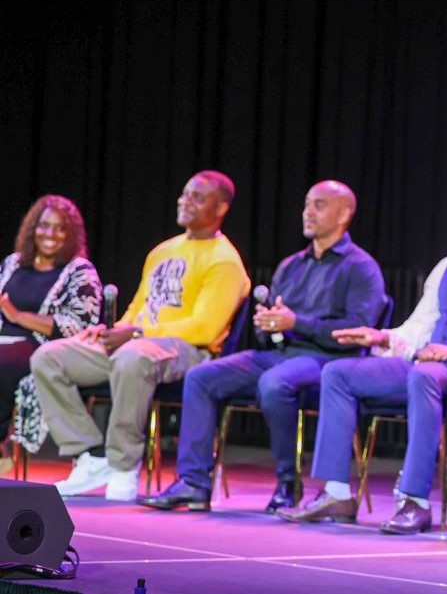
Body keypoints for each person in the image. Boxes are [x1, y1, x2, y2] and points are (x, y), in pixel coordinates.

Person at [276, 180, 447, 533]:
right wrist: (382, 336)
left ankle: (413, 500)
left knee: (424, 376)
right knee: (339, 372)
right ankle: (337, 492)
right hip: (430, 367)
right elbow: (419, 327)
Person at [137, 180, 385, 513]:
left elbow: (356, 330)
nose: (307, 212)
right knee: (201, 377)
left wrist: (297, 322)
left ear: (344, 215)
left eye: (319, 205)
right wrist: (270, 325)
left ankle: (287, 482)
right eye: (307, 204)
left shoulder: (360, 267)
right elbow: (277, 331)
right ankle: (194, 482)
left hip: (329, 360)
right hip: (281, 354)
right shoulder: (292, 265)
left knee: (275, 383)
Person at [31, 170, 251, 502]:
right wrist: (111, 329)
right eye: (184, 194)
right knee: (49, 357)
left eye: (197, 197)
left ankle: (123, 465)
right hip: (137, 343)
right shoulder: (162, 251)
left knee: (132, 357)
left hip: (190, 352)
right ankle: (91, 455)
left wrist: (135, 333)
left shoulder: (224, 261)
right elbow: (140, 307)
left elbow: (204, 328)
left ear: (220, 209)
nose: (185, 201)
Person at [0, 196, 102, 472]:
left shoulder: (78, 271)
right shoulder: (12, 264)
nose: (50, 234)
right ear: (33, 228)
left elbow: (81, 324)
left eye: (60, 228)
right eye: (44, 226)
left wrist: (19, 317)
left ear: (71, 235)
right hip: (4, 341)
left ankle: (1, 446)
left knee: (3, 361)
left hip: (43, 347)